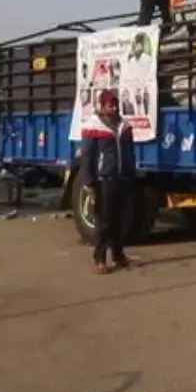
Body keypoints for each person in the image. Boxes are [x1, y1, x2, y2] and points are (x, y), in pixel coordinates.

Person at [80, 89, 137, 274]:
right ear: (102, 106)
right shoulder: (93, 127)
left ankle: (119, 256)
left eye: (115, 104)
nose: (113, 107)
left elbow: (130, 153)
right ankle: (100, 259)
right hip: (103, 180)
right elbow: (87, 157)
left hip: (122, 178)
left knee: (119, 221)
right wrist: (89, 182)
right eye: (109, 105)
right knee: (104, 222)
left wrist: (131, 173)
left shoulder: (125, 126)